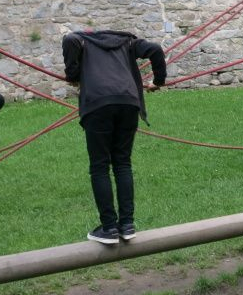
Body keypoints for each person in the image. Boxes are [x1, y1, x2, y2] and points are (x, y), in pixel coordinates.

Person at [62, 28, 166, 245]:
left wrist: (72, 74)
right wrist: (159, 81)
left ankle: (109, 227)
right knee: (122, 163)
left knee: (100, 166)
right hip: (128, 102)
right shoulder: (127, 42)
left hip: (98, 104)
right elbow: (156, 49)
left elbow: (69, 39)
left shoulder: (83, 40)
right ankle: (127, 225)